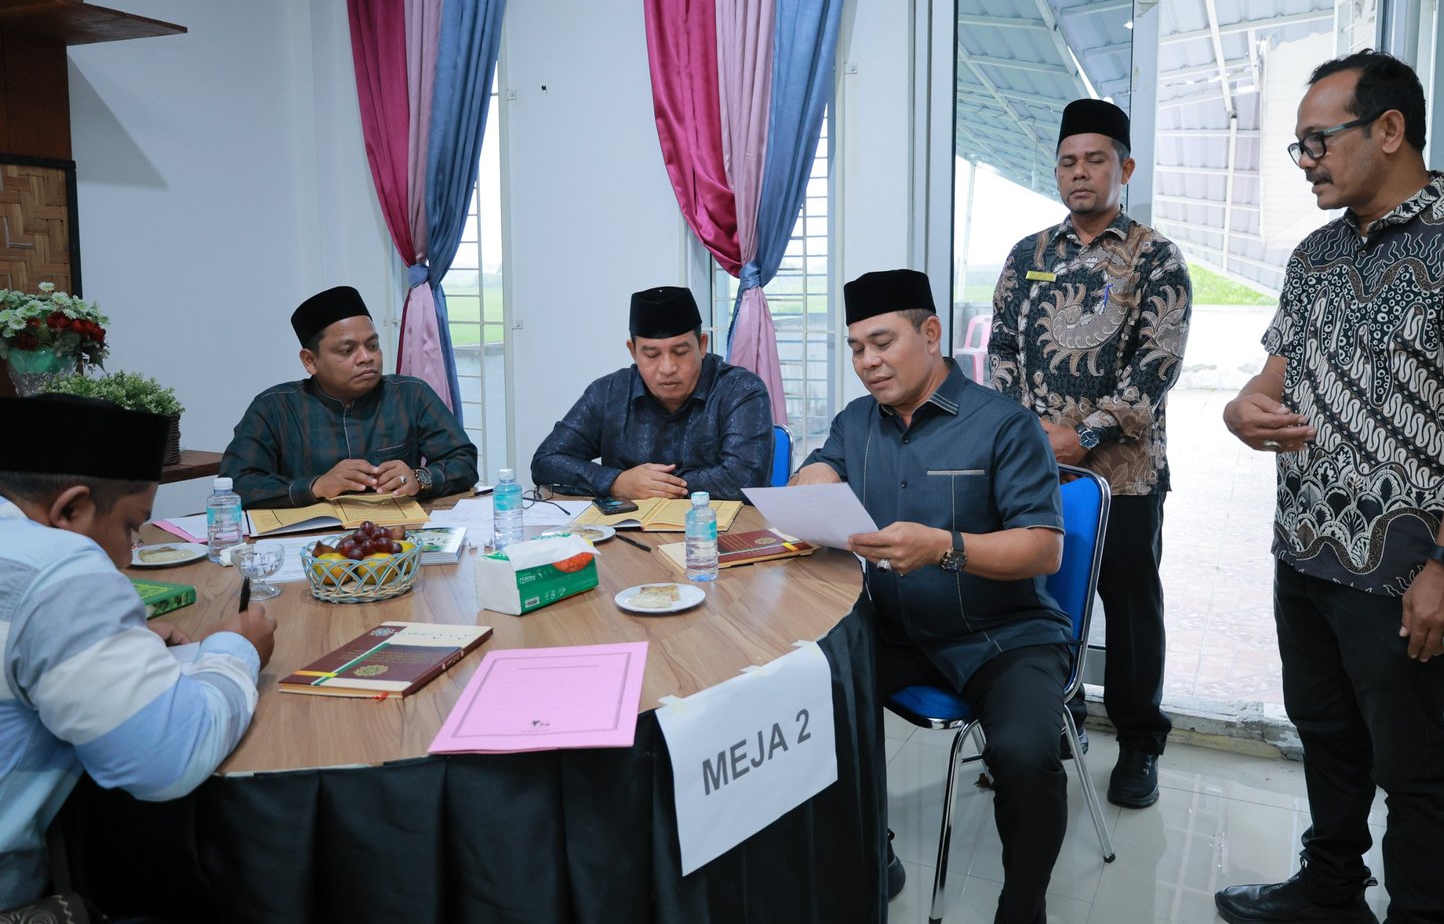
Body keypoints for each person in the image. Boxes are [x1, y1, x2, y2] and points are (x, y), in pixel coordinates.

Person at [1213, 50, 1444, 924]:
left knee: (1412, 765)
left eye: (1317, 140)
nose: (1306, 161)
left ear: (1389, 129)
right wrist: (1241, 412)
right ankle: (1330, 889)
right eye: (1299, 146)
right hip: (1304, 553)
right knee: (1325, 736)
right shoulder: (1316, 255)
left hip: (1405, 570)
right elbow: (1270, 382)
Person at [792, 269, 1070, 924]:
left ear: (932, 333)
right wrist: (813, 476)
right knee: (805, 698)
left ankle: (1022, 906)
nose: (867, 361)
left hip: (1003, 635)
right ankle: (873, 849)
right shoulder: (857, 422)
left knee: (1026, 753)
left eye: (882, 342)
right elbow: (823, 464)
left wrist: (944, 546)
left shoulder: (1004, 426)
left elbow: (1043, 548)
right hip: (893, 629)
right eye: (856, 348)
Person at [987, 98, 1191, 808]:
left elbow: (1157, 365)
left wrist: (1087, 433)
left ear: (1124, 169)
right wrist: (1022, 431)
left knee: (1129, 612)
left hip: (1123, 477)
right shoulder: (1028, 256)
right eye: (1068, 162)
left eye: (1095, 160)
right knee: (1039, 601)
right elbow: (1001, 349)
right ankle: (1050, 720)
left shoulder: (1155, 257)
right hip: (1037, 475)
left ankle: (1139, 743)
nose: (1080, 172)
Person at [0, 395, 277, 910]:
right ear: (72, 509)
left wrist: (105, 639)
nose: (129, 555)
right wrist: (236, 648)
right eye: (132, 526)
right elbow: (167, 759)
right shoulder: (58, 566)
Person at [220, 285, 478, 508]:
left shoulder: (411, 395)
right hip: (308, 541)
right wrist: (316, 486)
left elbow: (463, 461)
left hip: (395, 535)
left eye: (373, 345)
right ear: (310, 361)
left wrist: (420, 479)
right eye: (347, 350)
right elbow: (237, 483)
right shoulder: (274, 408)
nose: (366, 357)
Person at [530, 286, 772, 503]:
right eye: (652, 355)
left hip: (719, 531)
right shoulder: (608, 393)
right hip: (628, 533)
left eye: (680, 352)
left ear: (702, 345)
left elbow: (745, 479)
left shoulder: (740, 390)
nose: (667, 368)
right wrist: (617, 482)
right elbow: (546, 461)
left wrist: (651, 485)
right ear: (633, 351)